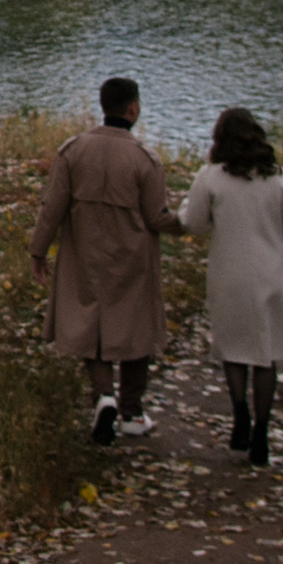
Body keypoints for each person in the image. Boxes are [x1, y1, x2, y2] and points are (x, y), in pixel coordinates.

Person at [29, 76, 181, 445]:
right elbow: (157, 217)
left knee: (88, 322)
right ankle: (131, 411)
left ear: (103, 106)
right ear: (133, 108)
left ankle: (104, 396)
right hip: (131, 257)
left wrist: (38, 249)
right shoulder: (146, 159)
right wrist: (190, 221)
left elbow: (52, 207)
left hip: (85, 252)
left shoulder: (73, 151)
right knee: (135, 328)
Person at [179, 107, 283, 467]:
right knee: (265, 352)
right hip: (271, 274)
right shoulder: (279, 178)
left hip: (229, 274)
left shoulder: (211, 177)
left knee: (234, 347)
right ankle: (262, 430)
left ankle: (240, 413)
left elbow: (193, 223)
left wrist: (176, 214)